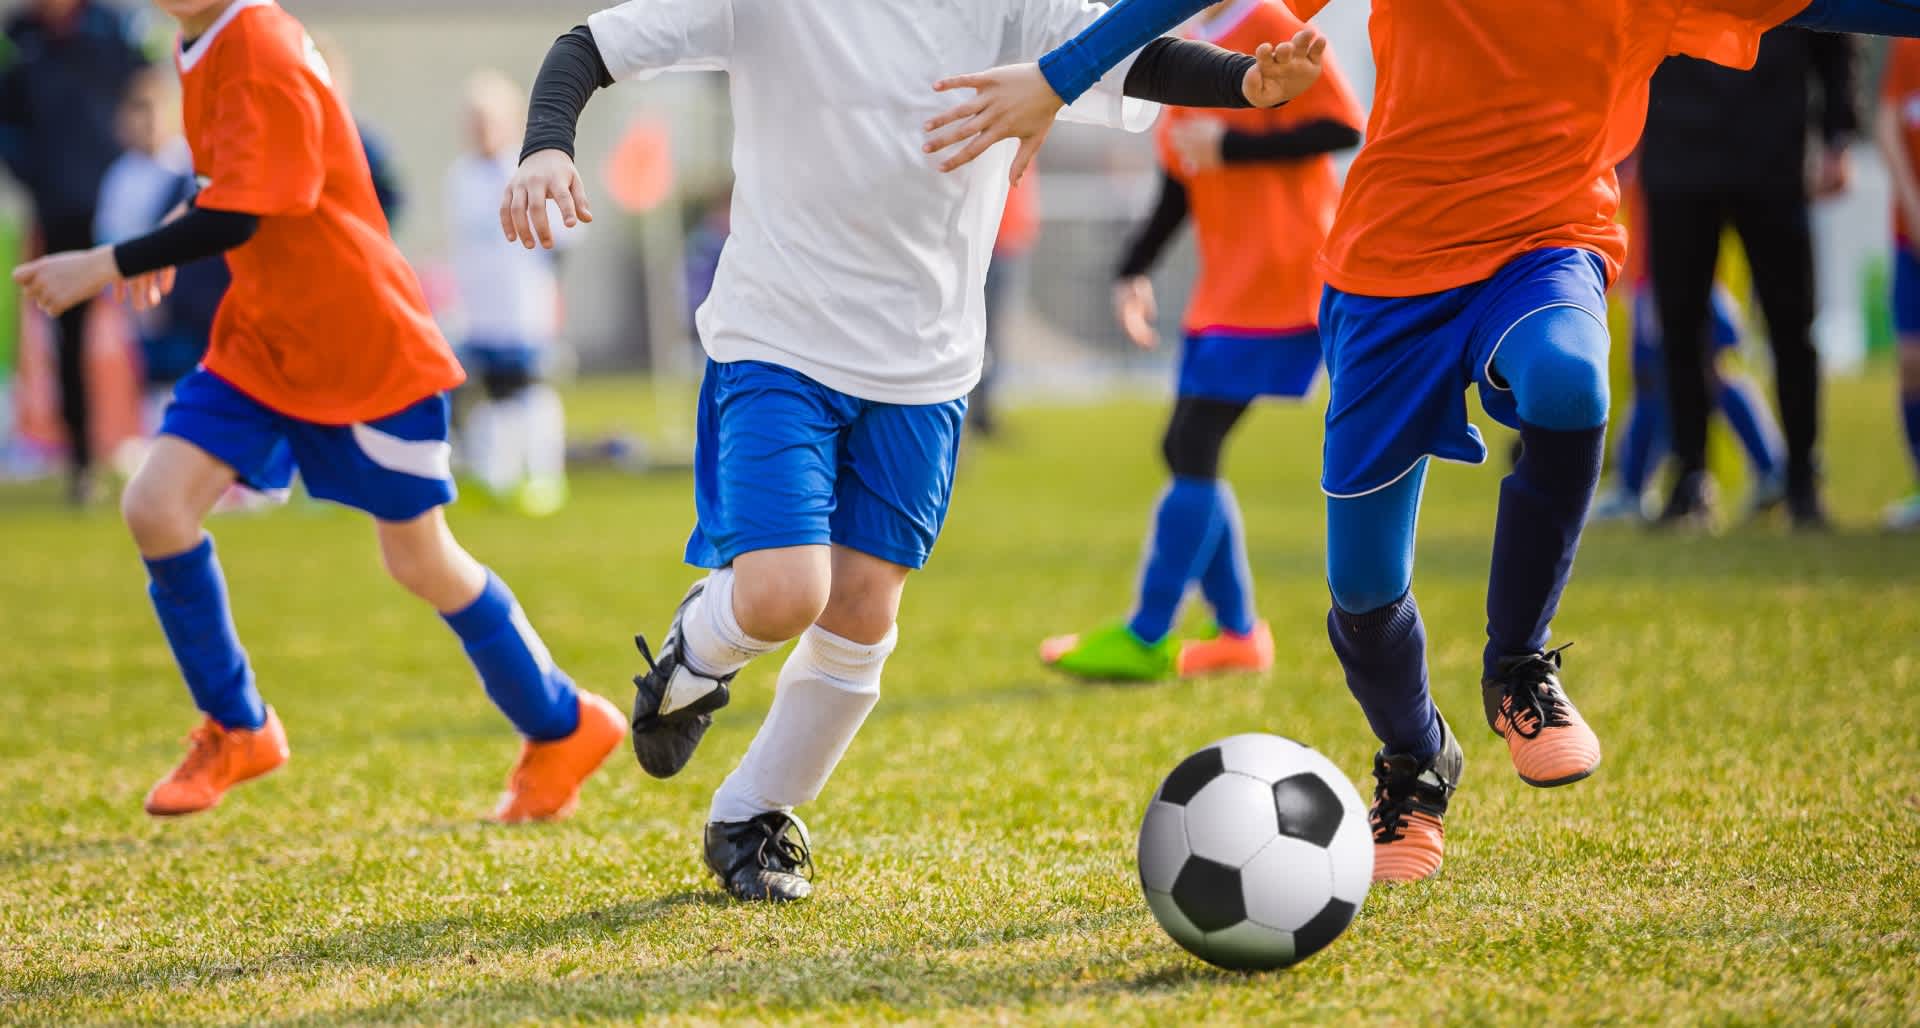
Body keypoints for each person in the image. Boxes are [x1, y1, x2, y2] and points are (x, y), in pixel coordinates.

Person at [922, 0, 1920, 883]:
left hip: (1546, 242)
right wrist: (1056, 77)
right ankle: (1414, 759)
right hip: (1386, 274)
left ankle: (1519, 664)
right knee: (1360, 593)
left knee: (1571, 380)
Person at [501, 0, 1328, 902]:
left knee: (859, 614)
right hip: (778, 341)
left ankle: (755, 816)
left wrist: (1244, 82)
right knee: (785, 592)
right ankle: (696, 655)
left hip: (926, 366)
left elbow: (1131, 57)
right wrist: (547, 143)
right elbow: (589, 45)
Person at [12, 0, 625, 823]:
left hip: (358, 350)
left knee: (421, 561)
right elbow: (225, 181)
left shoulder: (259, 40)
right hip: (263, 345)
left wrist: (107, 261)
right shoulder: (196, 43)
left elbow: (252, 208)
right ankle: (238, 726)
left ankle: (563, 724)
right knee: (155, 506)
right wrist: (170, 219)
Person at [1040, 0, 1362, 682]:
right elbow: (1180, 182)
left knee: (1190, 444)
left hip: (1283, 277)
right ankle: (1237, 634)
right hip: (1227, 289)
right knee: (1190, 446)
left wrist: (1233, 146)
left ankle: (1151, 632)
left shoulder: (1269, 20)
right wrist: (1132, 268)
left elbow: (1341, 127)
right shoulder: (1185, 40)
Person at [1642, 27, 1858, 529]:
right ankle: (1691, 477)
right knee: (1679, 325)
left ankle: (1802, 478)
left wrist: (1838, 133)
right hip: (1678, 149)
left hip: (1771, 150)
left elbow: (1832, 30)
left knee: (1792, 324)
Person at [0, 0, 152, 504]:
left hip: (123, 202)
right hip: (61, 209)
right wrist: (39, 180)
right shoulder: (20, 38)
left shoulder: (116, 29)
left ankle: (157, 452)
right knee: (68, 336)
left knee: (146, 322)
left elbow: (148, 93)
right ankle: (82, 460)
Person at [447, 69, 570, 516]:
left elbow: (560, 240)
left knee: (529, 390)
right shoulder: (460, 176)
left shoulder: (527, 170)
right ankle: (497, 473)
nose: (480, 129)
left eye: (489, 119)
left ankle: (544, 475)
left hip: (523, 304)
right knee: (491, 391)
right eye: (474, 119)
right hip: (481, 307)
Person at [94, 65, 227, 431]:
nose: (147, 121)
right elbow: (110, 244)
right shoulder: (121, 178)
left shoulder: (192, 168)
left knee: (206, 385)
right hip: (150, 305)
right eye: (138, 110)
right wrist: (127, 298)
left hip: (201, 305)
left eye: (154, 109)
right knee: (160, 389)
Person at [1876, 37, 1920, 531]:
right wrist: (1911, 202)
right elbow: (1887, 125)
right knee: (1911, 361)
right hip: (1912, 239)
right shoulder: (1908, 43)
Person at [970, 170, 1041, 440]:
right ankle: (970, 418)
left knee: (994, 336)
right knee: (977, 334)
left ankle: (981, 414)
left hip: (1011, 240)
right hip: (991, 241)